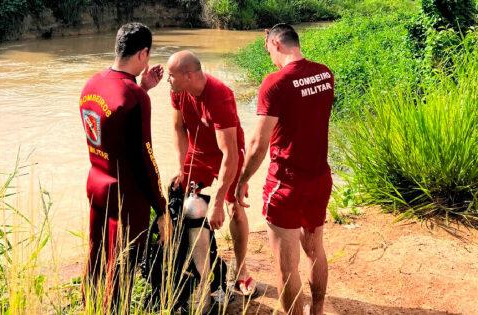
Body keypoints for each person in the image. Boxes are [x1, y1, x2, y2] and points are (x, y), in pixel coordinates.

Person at [235, 23, 335, 315]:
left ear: (276, 44)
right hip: (319, 178)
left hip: (286, 182)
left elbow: (258, 142)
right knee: (315, 248)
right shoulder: (325, 73)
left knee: (286, 265)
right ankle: (316, 311)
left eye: (268, 50)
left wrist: (243, 179)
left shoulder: (275, 82)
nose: (269, 57)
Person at [79, 22, 171, 311]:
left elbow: (111, 131)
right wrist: (161, 207)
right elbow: (145, 156)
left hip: (97, 184)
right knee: (122, 268)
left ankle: (88, 306)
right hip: (126, 196)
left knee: (95, 256)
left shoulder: (92, 84)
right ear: (143, 54)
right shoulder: (134, 98)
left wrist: (141, 85)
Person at [167, 50, 256, 297]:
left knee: (234, 209)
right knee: (187, 202)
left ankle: (242, 269)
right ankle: (202, 269)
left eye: (171, 76)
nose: (168, 80)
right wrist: (181, 168)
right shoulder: (178, 91)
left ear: (188, 75)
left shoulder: (219, 95)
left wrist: (218, 202)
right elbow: (178, 129)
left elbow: (229, 153)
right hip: (197, 153)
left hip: (227, 156)